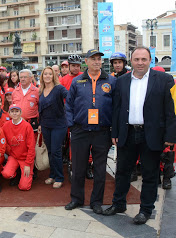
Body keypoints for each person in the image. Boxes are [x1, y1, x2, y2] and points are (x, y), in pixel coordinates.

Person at [103, 46, 176, 224]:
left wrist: (170, 136)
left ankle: (146, 210)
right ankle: (119, 204)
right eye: (137, 59)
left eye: (144, 59)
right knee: (122, 172)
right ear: (132, 61)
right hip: (127, 133)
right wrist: (115, 131)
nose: (140, 63)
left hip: (152, 135)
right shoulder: (122, 81)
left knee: (150, 174)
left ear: (150, 60)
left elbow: (171, 111)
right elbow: (117, 109)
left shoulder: (165, 80)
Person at [64, 49, 116, 214]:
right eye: (93, 59)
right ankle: (76, 199)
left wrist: (114, 129)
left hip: (102, 131)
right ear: (86, 61)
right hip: (81, 130)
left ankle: (96, 202)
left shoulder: (111, 81)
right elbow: (69, 106)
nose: (96, 62)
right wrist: (72, 126)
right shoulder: (77, 81)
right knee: (78, 167)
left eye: (99, 59)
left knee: (100, 169)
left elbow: (117, 107)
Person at [38, 66, 68, 189]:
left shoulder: (59, 88)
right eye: (45, 74)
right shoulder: (41, 90)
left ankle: (59, 177)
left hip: (59, 125)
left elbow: (69, 96)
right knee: (50, 151)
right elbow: (41, 110)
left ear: (54, 76)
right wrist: (40, 124)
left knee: (56, 151)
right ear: (42, 76)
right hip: (45, 125)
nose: (48, 76)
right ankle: (52, 175)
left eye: (50, 74)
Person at [2, 104, 36, 191]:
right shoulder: (6, 126)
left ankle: (26, 173)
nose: (15, 113)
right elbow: (2, 141)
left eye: (17, 111)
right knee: (6, 174)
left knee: (24, 187)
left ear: (20, 112)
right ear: (9, 113)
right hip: (14, 156)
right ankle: (16, 173)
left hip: (25, 158)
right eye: (12, 111)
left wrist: (28, 164)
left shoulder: (27, 126)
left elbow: (31, 147)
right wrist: (9, 151)